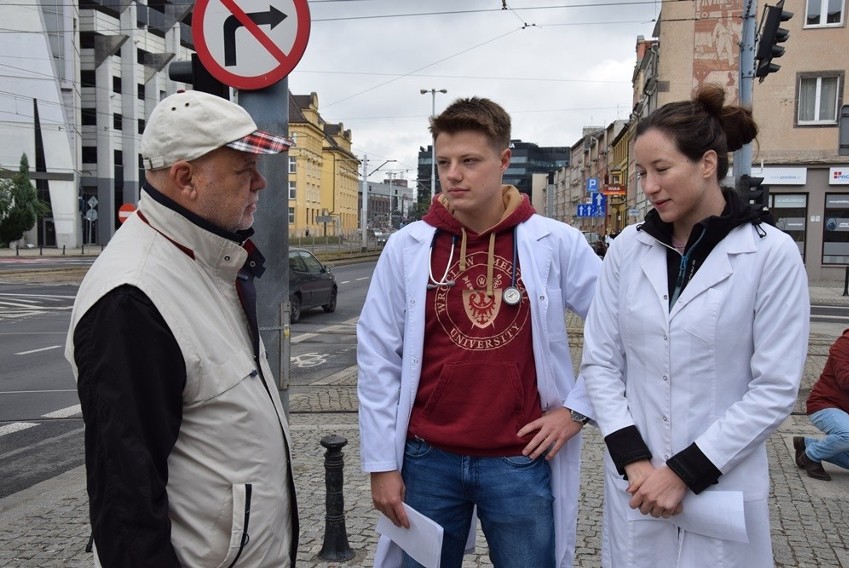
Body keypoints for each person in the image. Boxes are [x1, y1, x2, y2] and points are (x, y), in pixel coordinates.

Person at [357, 97, 602, 567]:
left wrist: (577, 410)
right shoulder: (407, 247)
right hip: (426, 459)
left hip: (519, 460)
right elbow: (376, 357)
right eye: (443, 161)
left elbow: (622, 330)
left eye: (470, 161)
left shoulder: (554, 242)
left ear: (503, 161)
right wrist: (382, 465)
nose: (453, 174)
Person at [65, 90, 298, 567]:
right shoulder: (133, 298)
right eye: (243, 170)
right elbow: (125, 504)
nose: (260, 183)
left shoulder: (206, 261)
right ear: (186, 178)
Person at [581, 84, 810, 567]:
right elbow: (601, 361)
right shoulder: (627, 249)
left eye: (661, 170)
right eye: (642, 173)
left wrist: (683, 472)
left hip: (719, 481)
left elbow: (773, 388)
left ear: (708, 164)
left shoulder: (770, 253)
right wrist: (634, 459)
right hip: (636, 480)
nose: (648, 186)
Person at [794, 326, 849, 481]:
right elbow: (846, 380)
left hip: (848, 411)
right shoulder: (846, 343)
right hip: (826, 404)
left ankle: (807, 443)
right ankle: (810, 456)